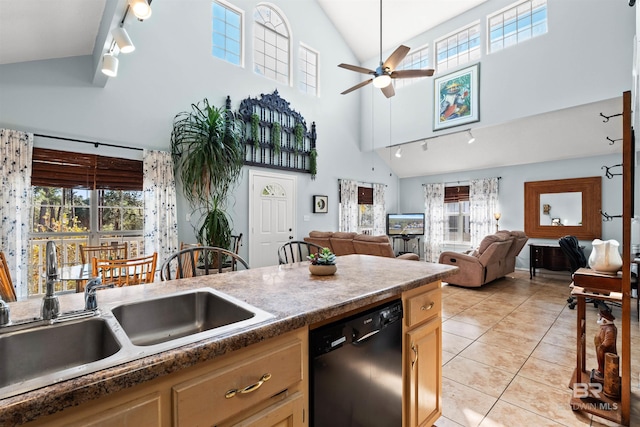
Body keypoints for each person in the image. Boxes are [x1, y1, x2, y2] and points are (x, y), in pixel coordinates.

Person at [592, 307, 617, 383]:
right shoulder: (604, 327)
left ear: (604, 320)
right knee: (601, 362)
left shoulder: (610, 329)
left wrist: (602, 346)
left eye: (600, 317)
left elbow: (609, 342)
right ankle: (601, 372)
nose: (599, 318)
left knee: (606, 363)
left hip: (606, 351)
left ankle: (604, 374)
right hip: (600, 350)